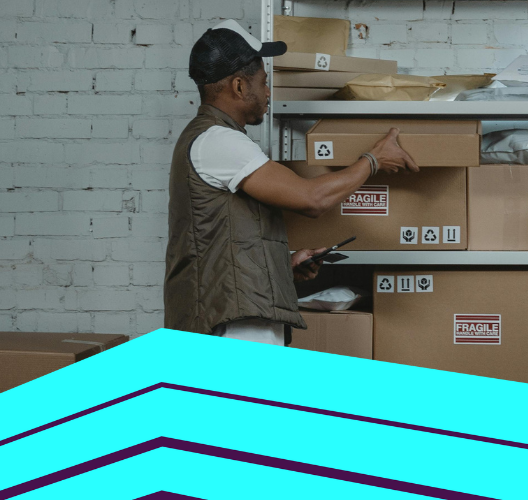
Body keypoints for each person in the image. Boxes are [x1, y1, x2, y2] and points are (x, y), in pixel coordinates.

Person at [164, 20, 418, 346]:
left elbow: (222, 242)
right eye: (264, 82)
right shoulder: (217, 141)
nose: (268, 92)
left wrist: (283, 264)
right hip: (231, 329)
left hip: (236, 321)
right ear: (240, 86)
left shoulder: (214, 140)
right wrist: (374, 160)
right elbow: (312, 199)